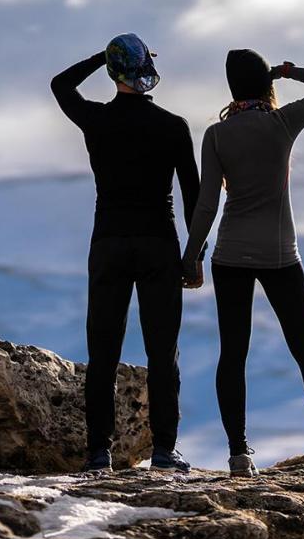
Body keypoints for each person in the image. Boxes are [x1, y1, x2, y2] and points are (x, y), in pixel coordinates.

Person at [181, 49, 304, 479]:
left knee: (233, 355)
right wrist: (290, 71)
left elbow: (208, 204)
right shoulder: (283, 123)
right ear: (268, 85)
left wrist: (191, 256)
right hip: (281, 256)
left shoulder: (216, 135)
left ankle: (239, 456)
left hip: (230, 256)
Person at [51, 33, 198, 473]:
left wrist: (105, 56)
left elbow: (61, 84)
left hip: (109, 242)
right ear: (148, 71)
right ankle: (165, 450)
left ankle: (100, 452)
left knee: (103, 352)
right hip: (159, 243)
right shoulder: (173, 126)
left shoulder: (97, 121)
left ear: (115, 73)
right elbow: (193, 196)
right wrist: (193, 257)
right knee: (162, 351)